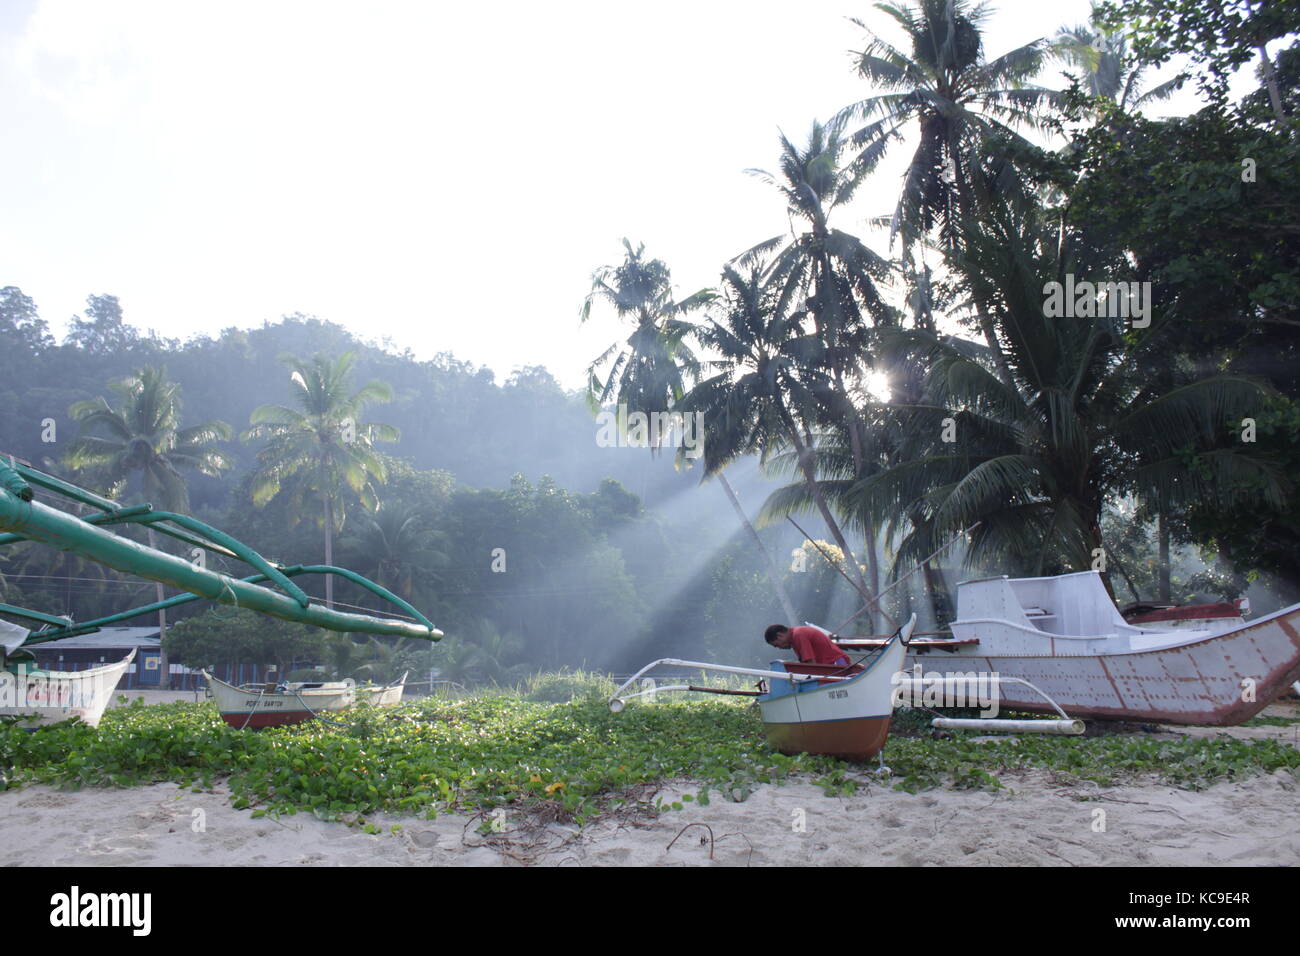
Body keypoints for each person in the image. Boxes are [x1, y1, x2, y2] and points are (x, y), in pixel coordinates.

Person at [764, 624, 850, 667]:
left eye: (776, 645)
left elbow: (810, 665)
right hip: (832, 666)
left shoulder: (798, 635)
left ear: (780, 635)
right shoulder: (794, 637)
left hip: (837, 665)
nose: (779, 648)